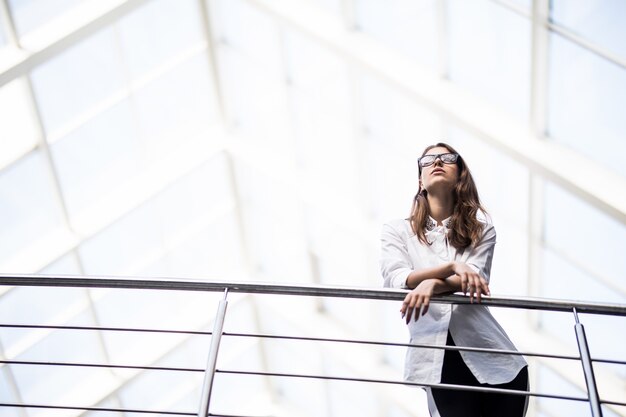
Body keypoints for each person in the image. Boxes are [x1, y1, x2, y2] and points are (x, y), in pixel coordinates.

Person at [380, 142, 528, 417]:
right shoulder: (397, 231)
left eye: (447, 158)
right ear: (420, 181)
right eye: (428, 160)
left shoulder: (482, 231)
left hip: (497, 361)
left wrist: (432, 284)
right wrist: (451, 266)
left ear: (460, 174)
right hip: (437, 362)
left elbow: (475, 279)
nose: (437, 162)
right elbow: (398, 278)